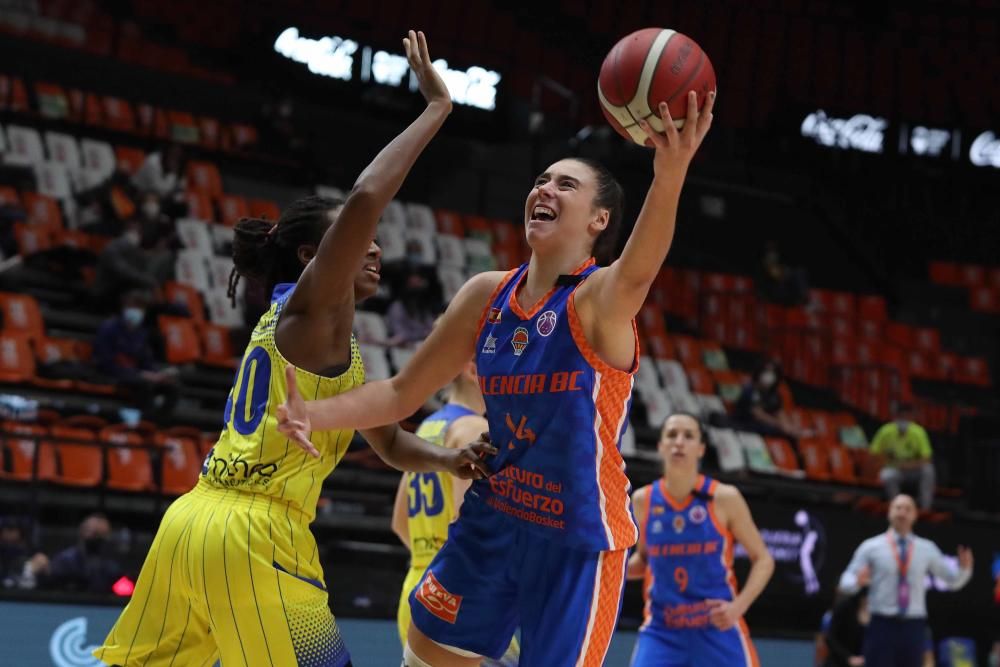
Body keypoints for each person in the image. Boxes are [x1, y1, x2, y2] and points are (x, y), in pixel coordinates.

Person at [94, 31, 493, 667]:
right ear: (313, 258)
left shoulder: (330, 339)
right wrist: (435, 110)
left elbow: (389, 444)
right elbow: (366, 197)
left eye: (372, 239)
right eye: (353, 240)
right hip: (256, 531)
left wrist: (446, 463)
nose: (373, 246)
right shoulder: (311, 313)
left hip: (193, 521)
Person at [279, 90, 716, 666]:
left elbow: (639, 269)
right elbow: (398, 393)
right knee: (426, 648)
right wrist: (313, 412)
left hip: (576, 535)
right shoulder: (486, 294)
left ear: (599, 220)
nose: (544, 189)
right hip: (496, 512)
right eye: (541, 180)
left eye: (565, 185)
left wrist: (671, 172)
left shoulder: (598, 301)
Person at [390, 357, 519, 665]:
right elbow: (470, 524)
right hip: (459, 591)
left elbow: (400, 522)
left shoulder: (427, 427)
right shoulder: (476, 430)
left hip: (417, 583)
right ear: (473, 370)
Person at [626, 412, 774, 667]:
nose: (679, 442)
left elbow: (763, 560)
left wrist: (738, 607)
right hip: (663, 628)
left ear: (701, 448)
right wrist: (600, 569)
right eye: (671, 435)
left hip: (717, 626)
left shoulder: (724, 497)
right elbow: (644, 559)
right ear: (660, 446)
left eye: (688, 436)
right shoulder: (643, 500)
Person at [838, 494, 973, 667]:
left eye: (907, 509)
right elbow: (845, 580)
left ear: (915, 515)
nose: (902, 513)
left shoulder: (927, 549)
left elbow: (952, 581)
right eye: (898, 508)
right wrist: (857, 582)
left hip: (913, 625)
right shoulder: (871, 547)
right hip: (881, 623)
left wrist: (965, 569)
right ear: (889, 512)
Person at [92, 290, 180, 417]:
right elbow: (103, 361)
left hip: (137, 375)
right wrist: (141, 374)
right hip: (112, 373)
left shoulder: (141, 333)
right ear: (124, 307)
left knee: (172, 387)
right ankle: (145, 422)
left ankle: (160, 425)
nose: (137, 311)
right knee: (144, 385)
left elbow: (146, 361)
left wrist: (160, 375)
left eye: (140, 308)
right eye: (133, 306)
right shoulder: (109, 328)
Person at [870, 404, 936, 510]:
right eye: (902, 416)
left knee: (928, 470)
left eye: (907, 417)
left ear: (912, 418)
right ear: (896, 417)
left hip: (912, 472)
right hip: (892, 469)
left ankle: (925, 508)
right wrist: (885, 463)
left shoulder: (918, 432)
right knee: (888, 475)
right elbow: (874, 454)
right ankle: (896, 509)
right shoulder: (886, 431)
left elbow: (927, 459)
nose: (904, 420)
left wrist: (907, 465)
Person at [39, 514, 124, 594]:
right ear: (82, 531)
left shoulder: (112, 566)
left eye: (101, 535)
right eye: (93, 533)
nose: (96, 538)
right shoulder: (65, 560)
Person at [731, 359, 809, 441]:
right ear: (759, 372)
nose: (769, 375)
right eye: (766, 371)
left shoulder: (774, 394)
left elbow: (779, 412)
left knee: (788, 435)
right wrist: (781, 425)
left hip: (761, 428)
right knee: (778, 431)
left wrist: (789, 427)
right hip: (743, 425)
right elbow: (758, 414)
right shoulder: (750, 389)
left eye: (773, 373)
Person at [823, 588, 870, 667]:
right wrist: (848, 658)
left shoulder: (879, 615)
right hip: (839, 661)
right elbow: (830, 638)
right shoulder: (844, 607)